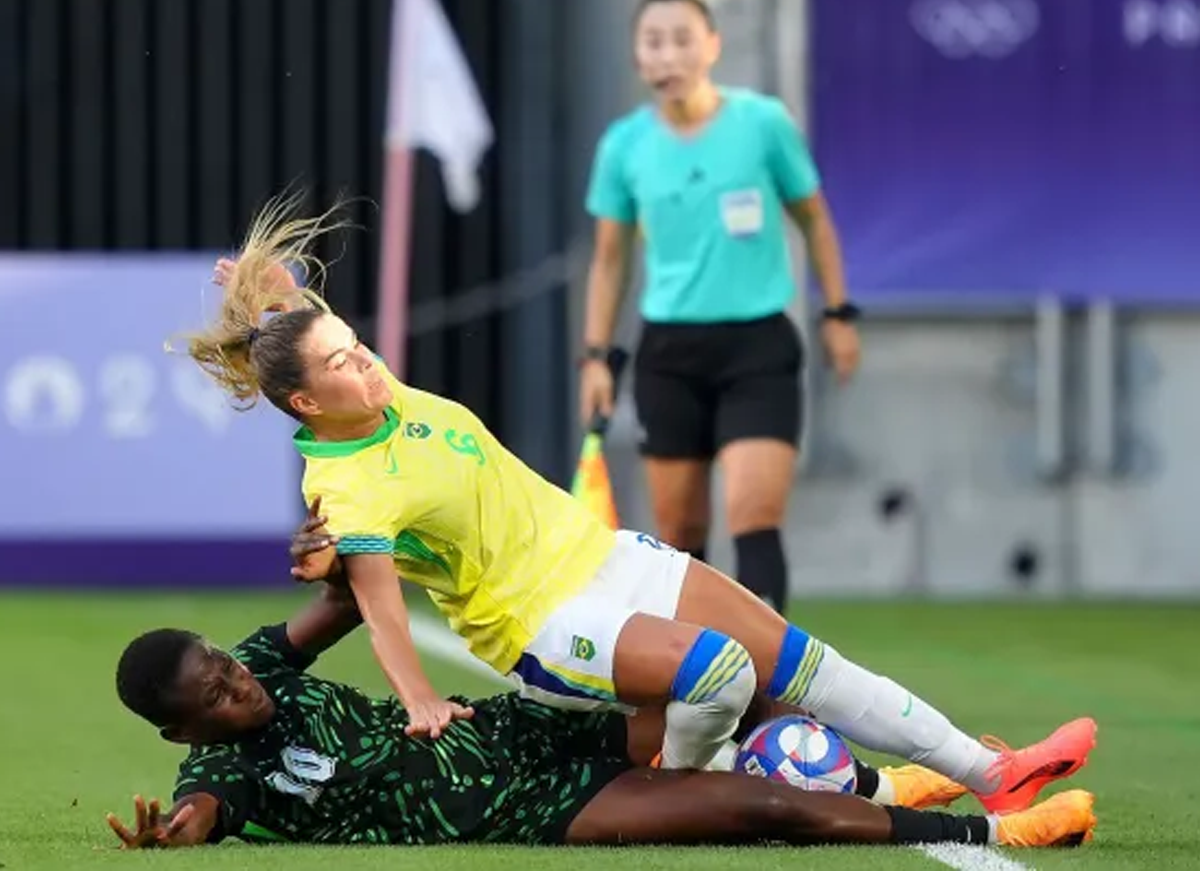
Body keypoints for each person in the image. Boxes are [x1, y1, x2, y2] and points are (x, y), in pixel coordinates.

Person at [178, 191, 1095, 814]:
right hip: (539, 621)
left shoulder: (382, 395)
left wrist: (274, 299)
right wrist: (419, 700)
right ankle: (688, 795)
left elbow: (303, 331)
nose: (364, 359)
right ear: (305, 403)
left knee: (803, 662)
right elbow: (379, 609)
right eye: (340, 361)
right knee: (722, 674)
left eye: (355, 344)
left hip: (609, 558)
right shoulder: (343, 483)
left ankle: (995, 773)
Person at [105, 581, 1097, 849]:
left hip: (523, 731)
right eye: (215, 697)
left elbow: (340, 598)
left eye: (224, 665)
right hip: (540, 812)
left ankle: (926, 770)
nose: (240, 684)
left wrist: (335, 550)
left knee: (737, 683)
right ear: (185, 734)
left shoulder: (265, 660)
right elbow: (193, 825)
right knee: (761, 812)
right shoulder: (218, 780)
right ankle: (1000, 826)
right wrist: (169, 840)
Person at [579, 0, 858, 612]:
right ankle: (703, 689)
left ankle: (767, 689)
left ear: (712, 45)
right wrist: (595, 358)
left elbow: (814, 219)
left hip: (758, 346)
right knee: (679, 536)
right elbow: (610, 259)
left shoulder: (762, 125)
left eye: (681, 39)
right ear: (636, 54)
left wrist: (839, 312)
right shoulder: (624, 147)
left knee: (753, 515)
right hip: (669, 354)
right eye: (653, 41)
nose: (667, 54)